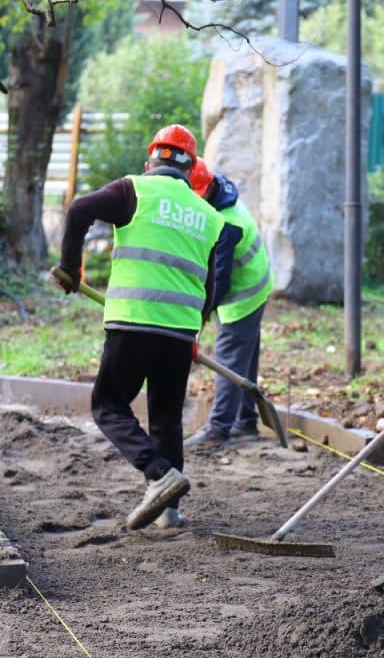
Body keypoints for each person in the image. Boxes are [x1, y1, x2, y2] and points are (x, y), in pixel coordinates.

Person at [55, 124, 238, 531]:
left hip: (133, 322)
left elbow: (78, 210)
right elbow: (208, 288)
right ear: (191, 170)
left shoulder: (133, 189)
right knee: (167, 420)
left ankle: (159, 474)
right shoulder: (209, 216)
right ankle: (169, 513)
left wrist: (70, 268)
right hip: (179, 333)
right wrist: (194, 334)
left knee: (108, 405)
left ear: (149, 162)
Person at [184, 158, 274, 447]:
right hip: (256, 282)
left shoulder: (226, 224)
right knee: (243, 359)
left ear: (207, 188)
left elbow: (218, 281)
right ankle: (245, 422)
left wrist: (198, 316)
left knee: (229, 357)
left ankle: (218, 429)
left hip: (244, 294)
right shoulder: (221, 194)